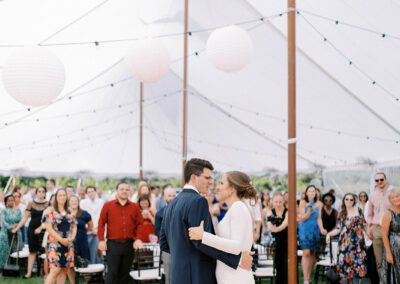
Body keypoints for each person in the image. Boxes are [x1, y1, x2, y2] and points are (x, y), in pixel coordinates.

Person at [159, 158, 253, 284]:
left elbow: (164, 243)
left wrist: (183, 255)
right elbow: (202, 242)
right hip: (198, 276)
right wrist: (238, 259)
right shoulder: (198, 201)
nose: (211, 183)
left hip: (179, 276)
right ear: (193, 178)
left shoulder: (171, 204)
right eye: (207, 178)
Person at [188, 171, 256, 284]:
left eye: (221, 183)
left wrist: (203, 236)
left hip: (237, 278)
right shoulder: (234, 209)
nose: (217, 188)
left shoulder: (238, 208)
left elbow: (236, 246)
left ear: (232, 189)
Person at [98, 182, 144, 284]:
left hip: (129, 245)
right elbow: (101, 223)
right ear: (117, 191)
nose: (124, 191)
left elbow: (140, 224)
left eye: (127, 189)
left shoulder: (135, 207)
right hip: (113, 245)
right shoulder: (108, 206)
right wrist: (101, 240)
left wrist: (138, 238)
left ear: (130, 191)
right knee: (112, 273)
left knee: (125, 274)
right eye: (122, 189)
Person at [326, 193, 368, 282]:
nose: (349, 201)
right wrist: (329, 234)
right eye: (347, 199)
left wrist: (370, 235)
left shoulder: (359, 210)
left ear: (354, 201)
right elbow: (338, 228)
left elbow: (365, 225)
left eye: (351, 199)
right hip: (345, 243)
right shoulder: (341, 213)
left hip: (358, 243)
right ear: (344, 201)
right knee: (346, 267)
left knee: (357, 266)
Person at [11, 186, 48, 278]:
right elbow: (25, 218)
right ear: (36, 193)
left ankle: (46, 273)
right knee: (32, 252)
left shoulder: (48, 204)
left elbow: (48, 219)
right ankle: (28, 273)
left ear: (45, 193)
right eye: (39, 191)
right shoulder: (31, 203)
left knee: (46, 252)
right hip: (31, 230)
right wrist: (17, 227)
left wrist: (40, 228)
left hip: (44, 230)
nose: (41, 193)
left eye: (43, 191)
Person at [44, 188, 77, 284]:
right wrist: (61, 239)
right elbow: (48, 228)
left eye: (64, 195)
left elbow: (74, 226)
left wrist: (72, 238)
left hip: (68, 244)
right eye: (60, 195)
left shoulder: (70, 210)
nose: (62, 197)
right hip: (55, 244)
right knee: (55, 270)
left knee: (63, 270)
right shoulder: (50, 210)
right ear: (56, 197)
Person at [298, 185, 327, 284]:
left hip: (315, 229)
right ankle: (305, 279)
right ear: (306, 193)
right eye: (309, 191)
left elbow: (319, 218)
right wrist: (310, 211)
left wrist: (322, 228)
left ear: (316, 193)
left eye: (313, 191)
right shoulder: (302, 202)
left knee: (312, 253)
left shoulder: (319, 204)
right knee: (306, 252)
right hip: (304, 229)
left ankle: (308, 276)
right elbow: (302, 218)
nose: (311, 192)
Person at [367, 172, 393, 275]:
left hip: (392, 228)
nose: (379, 182)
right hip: (377, 229)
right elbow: (369, 214)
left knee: (392, 257)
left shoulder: (393, 192)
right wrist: (369, 228)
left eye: (381, 179)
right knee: (379, 260)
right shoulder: (372, 195)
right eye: (377, 180)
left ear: (385, 180)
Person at [154, 186, 176, 284]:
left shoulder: (181, 210)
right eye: (169, 195)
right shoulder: (160, 214)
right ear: (164, 197)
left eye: (173, 195)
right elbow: (159, 233)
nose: (171, 197)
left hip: (181, 249)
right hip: (168, 250)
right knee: (169, 278)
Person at [266, 192, 288, 284]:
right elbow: (270, 226)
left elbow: (284, 225)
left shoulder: (287, 211)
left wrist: (275, 229)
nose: (278, 204)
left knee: (287, 266)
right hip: (277, 243)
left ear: (283, 201)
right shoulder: (270, 211)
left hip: (287, 241)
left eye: (280, 201)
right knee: (278, 266)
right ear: (272, 201)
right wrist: (274, 229)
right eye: (276, 202)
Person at [80, 186, 104, 264]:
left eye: (92, 191)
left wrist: (98, 229)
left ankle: (99, 267)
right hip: (88, 230)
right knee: (89, 249)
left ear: (95, 192)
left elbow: (102, 217)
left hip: (98, 229)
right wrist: (91, 228)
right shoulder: (83, 202)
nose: (91, 193)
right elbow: (82, 217)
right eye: (89, 192)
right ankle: (89, 266)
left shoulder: (101, 202)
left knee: (98, 249)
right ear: (86, 194)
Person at [381, 187, 400, 283]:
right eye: (393, 197)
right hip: (394, 249)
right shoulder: (388, 214)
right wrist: (388, 253)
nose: (396, 199)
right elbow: (384, 235)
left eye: (398, 196)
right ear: (390, 200)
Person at [0, 195, 22, 270]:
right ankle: (3, 266)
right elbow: (3, 221)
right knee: (4, 248)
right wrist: (11, 227)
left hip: (16, 231)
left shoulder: (18, 210)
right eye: (9, 200)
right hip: (5, 231)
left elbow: (20, 220)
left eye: (12, 200)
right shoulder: (3, 211)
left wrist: (16, 226)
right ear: (6, 202)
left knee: (15, 249)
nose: (10, 202)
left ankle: (15, 266)